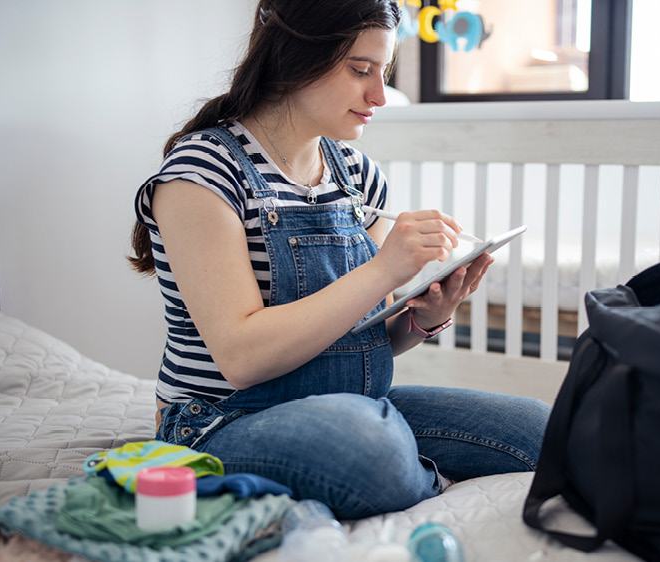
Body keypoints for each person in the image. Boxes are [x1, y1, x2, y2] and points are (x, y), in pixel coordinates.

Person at [128, 0, 551, 519]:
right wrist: (383, 269)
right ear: (295, 57)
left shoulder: (354, 172)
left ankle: (398, 463)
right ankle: (411, 471)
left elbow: (366, 339)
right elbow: (241, 358)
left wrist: (425, 317)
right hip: (223, 420)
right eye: (360, 70)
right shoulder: (203, 171)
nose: (379, 94)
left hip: (352, 405)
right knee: (366, 448)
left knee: (538, 431)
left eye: (384, 72)